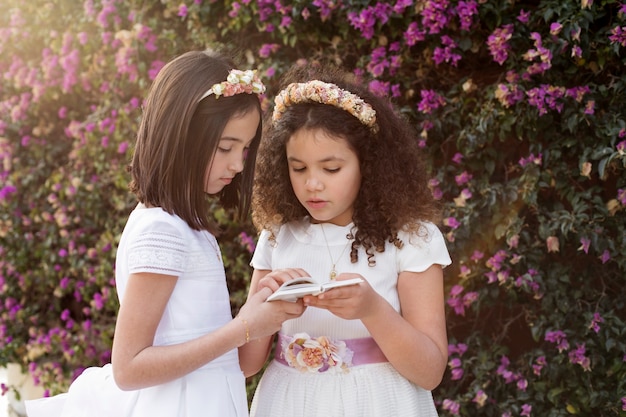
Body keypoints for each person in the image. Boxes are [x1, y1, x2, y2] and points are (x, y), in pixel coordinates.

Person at [25, 50, 305, 417]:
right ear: (181, 136)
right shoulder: (162, 231)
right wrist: (244, 327)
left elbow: (232, 364)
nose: (238, 165)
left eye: (246, 148)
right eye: (225, 147)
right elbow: (129, 368)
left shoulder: (188, 228)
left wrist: (262, 309)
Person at [241, 64, 452, 417]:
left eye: (331, 168)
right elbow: (246, 364)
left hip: (382, 404)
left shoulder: (411, 239)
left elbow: (430, 372)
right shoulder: (279, 237)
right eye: (299, 167)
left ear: (367, 164)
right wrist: (263, 309)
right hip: (289, 404)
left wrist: (373, 310)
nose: (313, 184)